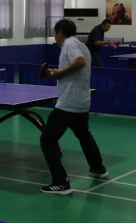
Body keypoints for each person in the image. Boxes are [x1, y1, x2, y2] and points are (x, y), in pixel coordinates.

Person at [40, 19, 107, 195]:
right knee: (84, 135)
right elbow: (77, 67)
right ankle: (98, 169)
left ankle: (60, 183)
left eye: (55, 34)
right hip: (82, 102)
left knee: (47, 141)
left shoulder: (69, 44)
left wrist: (59, 74)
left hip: (68, 104)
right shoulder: (81, 45)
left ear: (61, 33)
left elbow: (79, 62)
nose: (55, 38)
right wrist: (55, 73)